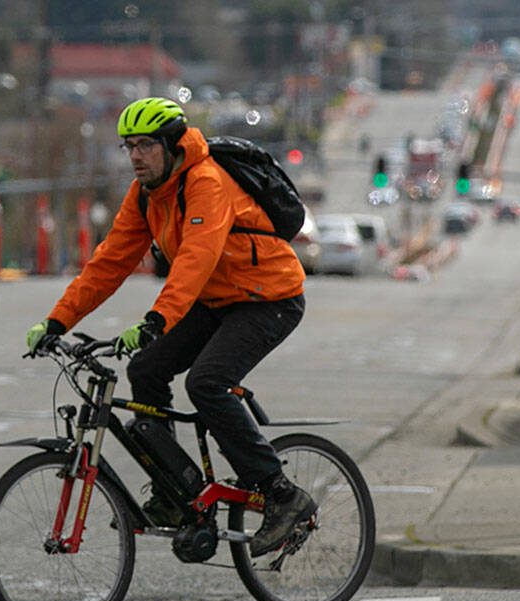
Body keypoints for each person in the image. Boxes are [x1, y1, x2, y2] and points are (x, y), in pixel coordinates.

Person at [23, 97, 312, 556]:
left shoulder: (206, 183)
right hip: (217, 299)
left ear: (173, 146)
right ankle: (176, 491)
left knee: (208, 382)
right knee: (146, 371)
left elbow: (196, 260)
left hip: (268, 298)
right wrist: (57, 321)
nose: (136, 156)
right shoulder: (146, 195)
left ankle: (281, 494)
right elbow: (108, 264)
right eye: (129, 147)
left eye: (145, 146)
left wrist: (156, 320)